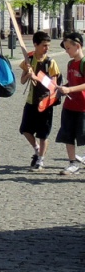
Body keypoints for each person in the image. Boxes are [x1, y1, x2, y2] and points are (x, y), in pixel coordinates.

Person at [19, 31, 61, 172]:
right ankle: (37, 149)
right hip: (31, 101)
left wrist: (38, 78)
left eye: (48, 45)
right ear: (35, 45)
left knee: (43, 134)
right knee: (25, 129)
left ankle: (41, 161)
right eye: (44, 45)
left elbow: (54, 86)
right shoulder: (29, 59)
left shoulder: (51, 62)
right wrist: (29, 75)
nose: (47, 48)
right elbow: (22, 80)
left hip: (45, 102)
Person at [56, 32, 85, 175]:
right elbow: (72, 82)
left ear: (77, 46)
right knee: (68, 135)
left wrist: (70, 88)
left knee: (83, 135)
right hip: (69, 106)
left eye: (68, 48)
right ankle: (72, 163)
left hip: (83, 107)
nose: (66, 51)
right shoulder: (70, 63)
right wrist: (62, 89)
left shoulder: (83, 63)